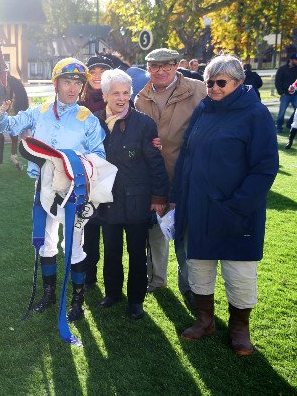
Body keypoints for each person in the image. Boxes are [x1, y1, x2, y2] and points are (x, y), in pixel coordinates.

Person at [171, 55, 278, 355]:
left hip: (238, 211)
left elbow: (265, 167)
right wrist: (178, 196)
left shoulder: (255, 114)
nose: (214, 89)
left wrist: (238, 206)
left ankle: (239, 328)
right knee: (199, 267)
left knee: (239, 273)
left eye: (221, 83)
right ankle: (204, 320)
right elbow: (187, 155)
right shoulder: (204, 108)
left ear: (239, 82)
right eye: (209, 83)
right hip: (200, 207)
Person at [0, 57, 106, 322]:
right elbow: (8, 126)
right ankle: (49, 295)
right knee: (45, 242)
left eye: (77, 83)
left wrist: (76, 166)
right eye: (67, 82)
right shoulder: (39, 112)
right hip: (43, 188)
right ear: (56, 84)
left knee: (74, 245)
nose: (72, 88)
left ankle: (78, 300)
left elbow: (99, 156)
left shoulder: (88, 119)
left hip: (74, 192)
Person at [134, 48, 206, 309]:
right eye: (155, 66)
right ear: (148, 69)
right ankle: (157, 280)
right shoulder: (141, 98)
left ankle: (190, 288)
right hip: (154, 177)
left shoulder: (198, 90)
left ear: (177, 66)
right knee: (156, 231)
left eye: (167, 65)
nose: (161, 71)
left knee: (186, 236)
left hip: (188, 175)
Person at [94, 69, 168, 319]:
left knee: (137, 253)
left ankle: (136, 300)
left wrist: (158, 197)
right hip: (107, 200)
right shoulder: (94, 123)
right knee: (111, 251)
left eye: (126, 93)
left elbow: (156, 164)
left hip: (137, 200)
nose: (121, 98)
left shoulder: (144, 123)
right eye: (116, 93)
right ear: (105, 95)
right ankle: (113, 293)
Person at [77, 55, 111, 292]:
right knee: (87, 226)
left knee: (111, 230)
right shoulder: (78, 103)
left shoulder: (118, 99)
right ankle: (88, 276)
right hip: (84, 173)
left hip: (111, 171)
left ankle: (112, 282)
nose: (97, 76)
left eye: (102, 71)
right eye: (93, 71)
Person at [274, 53, 297, 133]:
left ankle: (290, 123)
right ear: (291, 60)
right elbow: (277, 81)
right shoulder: (282, 69)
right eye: (296, 60)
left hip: (295, 94)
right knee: (282, 112)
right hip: (285, 94)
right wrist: (281, 92)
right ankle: (278, 127)